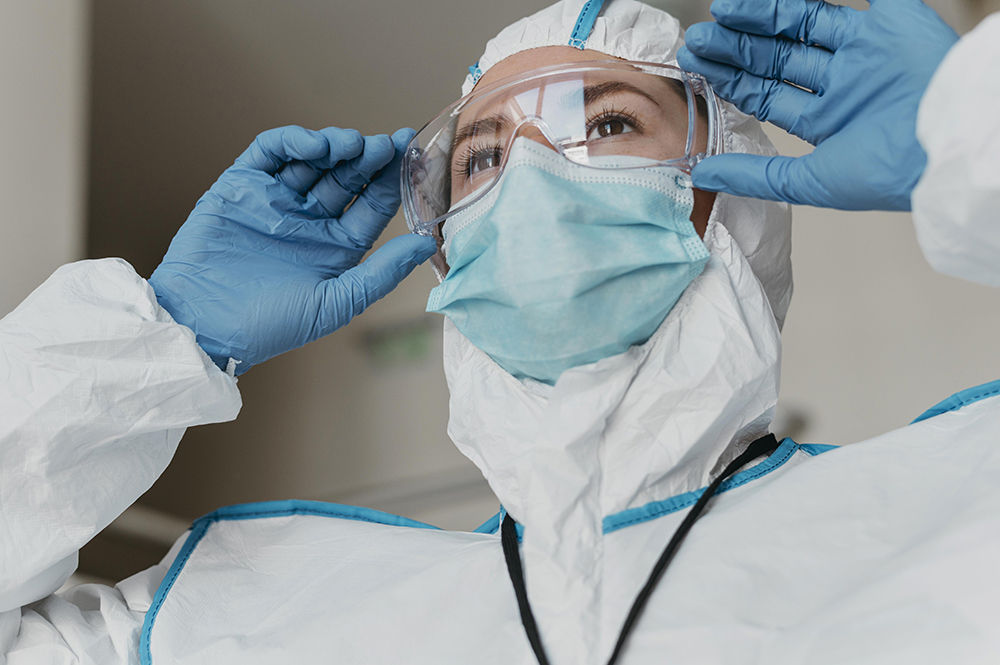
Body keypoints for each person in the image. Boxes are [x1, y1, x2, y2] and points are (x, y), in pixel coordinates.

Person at [1, 0, 998, 662]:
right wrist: (147, 342)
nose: (533, 173)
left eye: (605, 124)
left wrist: (976, 131)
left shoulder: (955, 499)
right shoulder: (233, 611)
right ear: (445, 243)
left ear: (725, 190)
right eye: (480, 158)